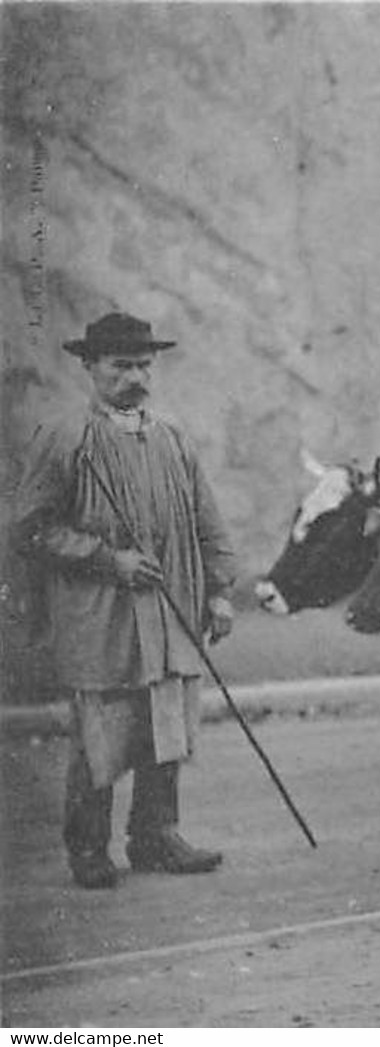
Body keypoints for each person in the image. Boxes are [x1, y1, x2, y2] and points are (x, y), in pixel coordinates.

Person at [11, 312, 236, 889]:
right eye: (120, 365)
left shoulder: (171, 436)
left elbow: (207, 521)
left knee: (167, 723)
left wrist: (220, 592)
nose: (135, 376)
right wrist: (108, 560)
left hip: (171, 611)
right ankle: (89, 849)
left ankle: (155, 837)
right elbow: (31, 529)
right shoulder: (66, 439)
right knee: (102, 733)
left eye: (143, 364)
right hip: (102, 616)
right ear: (90, 368)